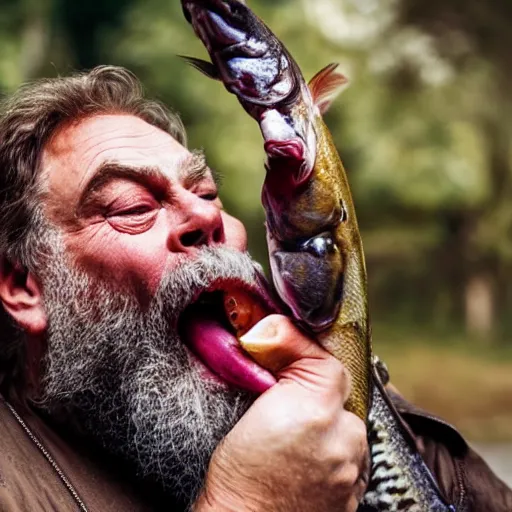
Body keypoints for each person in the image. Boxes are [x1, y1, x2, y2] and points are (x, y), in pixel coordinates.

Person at [0, 66, 509, 512]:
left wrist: (376, 409)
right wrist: (249, 501)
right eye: (133, 207)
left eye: (205, 192)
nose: (205, 215)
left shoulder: (343, 414)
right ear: (25, 286)